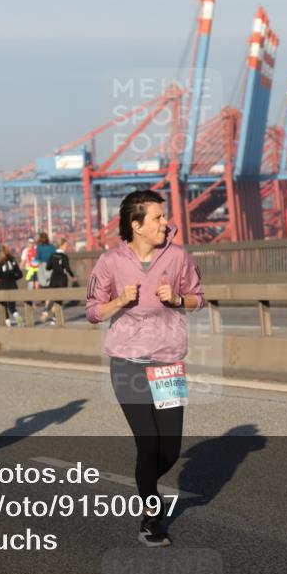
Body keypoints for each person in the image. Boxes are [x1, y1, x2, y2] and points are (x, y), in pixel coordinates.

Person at [85, 190, 204, 548]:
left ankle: (146, 484)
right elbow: (92, 310)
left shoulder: (179, 257)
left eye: (164, 216)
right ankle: (152, 516)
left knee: (169, 449)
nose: (165, 223)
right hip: (128, 363)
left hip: (167, 363)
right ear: (136, 226)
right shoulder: (110, 262)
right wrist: (119, 301)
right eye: (157, 218)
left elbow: (199, 298)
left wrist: (178, 300)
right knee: (148, 442)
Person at [40, 238, 77, 324]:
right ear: (63, 245)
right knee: (59, 299)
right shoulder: (65, 257)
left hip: (54, 278)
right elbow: (67, 268)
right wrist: (73, 276)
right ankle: (54, 318)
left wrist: (54, 265)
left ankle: (47, 311)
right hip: (62, 279)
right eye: (66, 245)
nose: (67, 247)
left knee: (53, 297)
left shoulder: (52, 255)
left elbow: (48, 268)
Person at [0, 246, 23, 327]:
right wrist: (13, 278)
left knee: (3, 305)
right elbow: (20, 275)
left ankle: (8, 322)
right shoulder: (13, 262)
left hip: (3, 287)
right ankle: (17, 317)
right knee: (12, 306)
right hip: (13, 286)